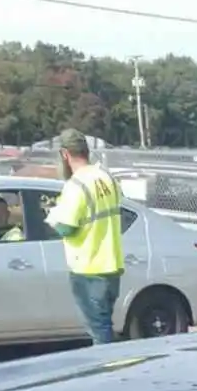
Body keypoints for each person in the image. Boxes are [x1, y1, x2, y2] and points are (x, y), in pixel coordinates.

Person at [45, 128, 124, 344]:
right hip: (112, 266)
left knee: (99, 330)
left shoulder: (76, 185)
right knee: (104, 323)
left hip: (88, 269)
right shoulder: (107, 178)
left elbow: (66, 228)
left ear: (65, 154)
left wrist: (52, 218)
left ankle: (109, 370)